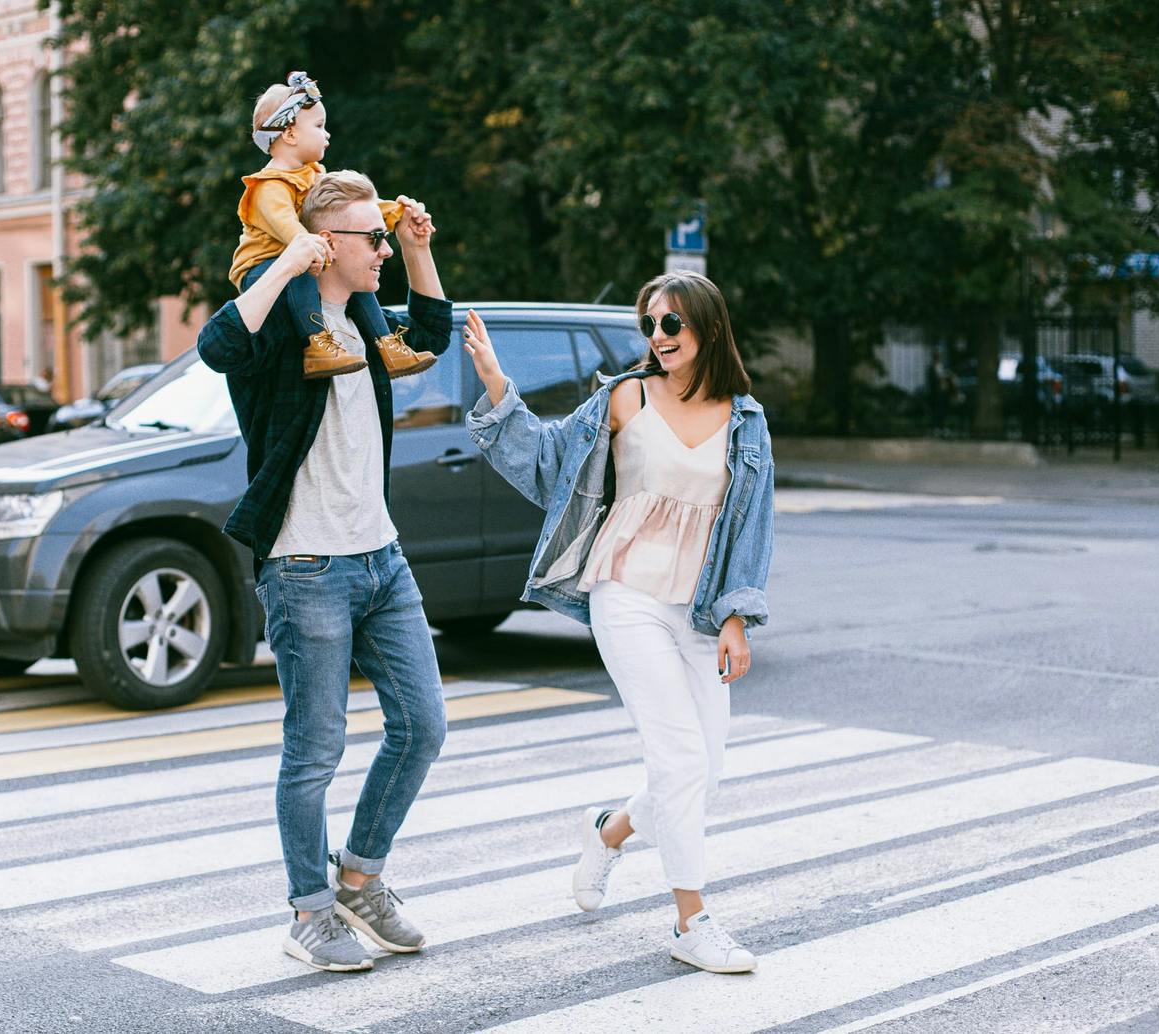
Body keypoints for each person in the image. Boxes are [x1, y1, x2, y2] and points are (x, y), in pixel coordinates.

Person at [462, 271, 775, 975]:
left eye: (673, 325)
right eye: (651, 325)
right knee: (680, 760)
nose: (659, 338)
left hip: (696, 606)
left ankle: (610, 830)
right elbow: (546, 465)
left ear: (710, 329)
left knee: (707, 767)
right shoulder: (624, 397)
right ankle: (691, 922)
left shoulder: (745, 419)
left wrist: (736, 617)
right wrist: (494, 387)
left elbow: (754, 526)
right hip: (626, 593)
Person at [197, 170, 451, 973]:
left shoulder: (368, 325)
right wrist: (285, 262)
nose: (378, 247)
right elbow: (216, 347)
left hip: (381, 555)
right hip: (306, 563)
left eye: (382, 234)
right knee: (315, 751)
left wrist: (416, 252)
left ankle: (360, 880)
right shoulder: (285, 325)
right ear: (324, 244)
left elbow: (434, 334)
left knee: (423, 727)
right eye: (369, 237)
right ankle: (309, 911)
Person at [229, 70, 435, 381]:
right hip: (262, 269)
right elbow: (287, 226)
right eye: (319, 126)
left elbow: (349, 209)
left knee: (355, 274)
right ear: (290, 134)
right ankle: (316, 345)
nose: (327, 134)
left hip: (304, 255)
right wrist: (307, 247)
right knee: (302, 271)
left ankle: (388, 346)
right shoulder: (267, 187)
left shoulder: (314, 176)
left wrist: (395, 213)